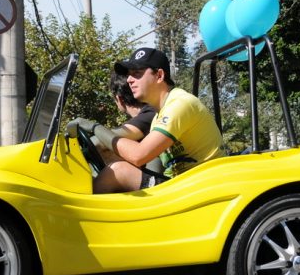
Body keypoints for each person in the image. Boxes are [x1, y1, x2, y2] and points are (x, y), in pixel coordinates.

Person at [76, 47, 224, 193]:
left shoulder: (180, 104)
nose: (129, 80)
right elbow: (154, 164)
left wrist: (94, 127)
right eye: (129, 75)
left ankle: (81, 208)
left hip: (204, 187)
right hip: (184, 185)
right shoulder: (158, 117)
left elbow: (138, 155)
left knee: (118, 171)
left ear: (159, 75)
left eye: (137, 73)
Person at [69, 71, 157, 166]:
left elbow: (103, 140)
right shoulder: (149, 113)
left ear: (119, 99)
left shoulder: (151, 113)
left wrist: (93, 127)